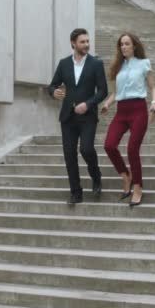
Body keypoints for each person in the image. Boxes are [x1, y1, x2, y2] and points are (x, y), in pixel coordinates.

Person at [48, 28, 109, 205]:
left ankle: (96, 176)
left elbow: (103, 91)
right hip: (67, 117)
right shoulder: (64, 63)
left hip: (88, 116)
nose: (86, 45)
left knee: (86, 149)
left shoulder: (96, 64)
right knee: (69, 155)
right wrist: (54, 92)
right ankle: (76, 192)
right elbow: (52, 85)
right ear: (73, 43)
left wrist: (88, 104)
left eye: (87, 41)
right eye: (83, 42)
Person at [101, 32, 155, 207]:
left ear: (134, 46)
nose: (124, 47)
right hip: (121, 111)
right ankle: (125, 175)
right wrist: (107, 104)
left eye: (127, 44)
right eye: (121, 44)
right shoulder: (119, 67)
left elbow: (153, 88)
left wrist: (154, 103)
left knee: (132, 149)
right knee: (109, 145)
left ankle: (137, 187)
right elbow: (116, 92)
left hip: (138, 110)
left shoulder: (144, 64)